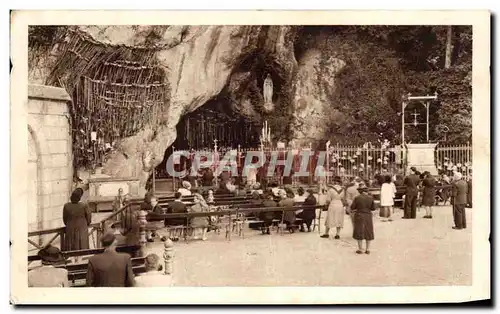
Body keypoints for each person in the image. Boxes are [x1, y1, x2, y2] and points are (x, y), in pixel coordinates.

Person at [63, 188, 92, 253]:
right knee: (82, 246)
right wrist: (85, 224)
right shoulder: (84, 205)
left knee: (70, 246)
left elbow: (64, 219)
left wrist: (69, 224)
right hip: (82, 228)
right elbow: (89, 218)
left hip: (70, 228)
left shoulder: (66, 206)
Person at [351, 183, 376, 254]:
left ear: (360, 191)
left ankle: (360, 249)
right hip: (368, 215)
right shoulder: (370, 198)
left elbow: (353, 207)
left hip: (359, 215)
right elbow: (373, 208)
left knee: (359, 231)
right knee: (368, 231)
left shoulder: (357, 198)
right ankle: (367, 249)